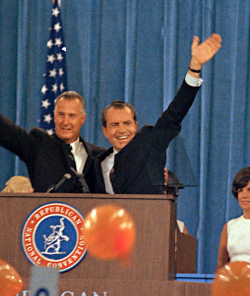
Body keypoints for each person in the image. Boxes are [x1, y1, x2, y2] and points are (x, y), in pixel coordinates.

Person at [93, 34, 222, 194]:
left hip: (149, 218)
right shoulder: (97, 163)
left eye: (127, 123)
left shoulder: (149, 143)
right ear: (104, 130)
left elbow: (174, 114)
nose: (121, 130)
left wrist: (194, 67)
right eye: (114, 125)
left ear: (136, 126)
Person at [0, 56, 103, 193]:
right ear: (54, 116)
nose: (66, 122)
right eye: (61, 115)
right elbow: (5, 132)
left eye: (72, 116)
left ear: (82, 119)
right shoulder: (39, 145)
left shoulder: (98, 156)